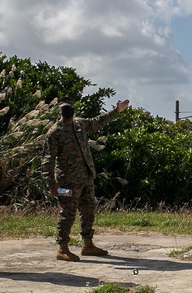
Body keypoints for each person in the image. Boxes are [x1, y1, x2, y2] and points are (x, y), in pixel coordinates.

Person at [42, 98, 129, 261]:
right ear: (60, 113)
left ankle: (88, 244)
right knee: (67, 212)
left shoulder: (80, 125)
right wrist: (51, 184)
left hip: (86, 178)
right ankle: (62, 248)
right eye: (65, 110)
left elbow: (97, 122)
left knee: (88, 209)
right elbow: (48, 160)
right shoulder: (54, 133)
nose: (68, 113)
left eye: (70, 110)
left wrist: (116, 111)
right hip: (66, 182)